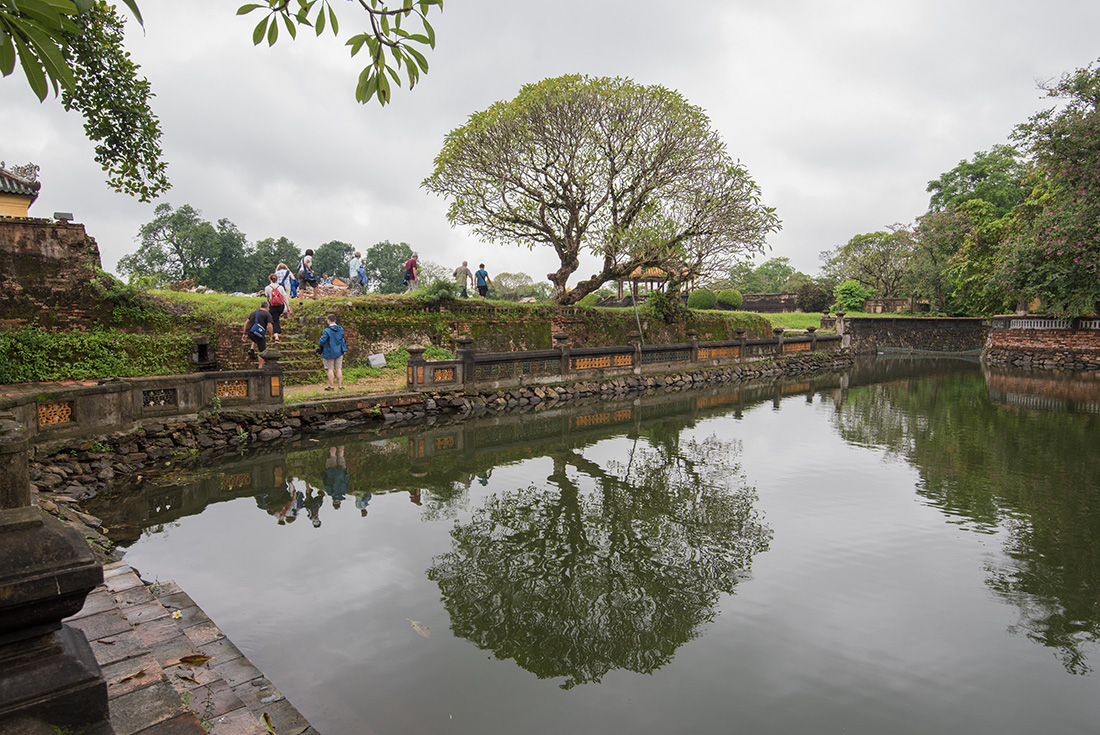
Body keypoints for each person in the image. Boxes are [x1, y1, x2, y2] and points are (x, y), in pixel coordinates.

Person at [318, 312, 348, 391]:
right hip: (339, 350)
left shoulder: (327, 330)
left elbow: (322, 341)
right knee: (338, 368)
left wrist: (320, 346)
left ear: (328, 320)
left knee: (330, 369)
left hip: (329, 351)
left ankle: (331, 386)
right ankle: (340, 386)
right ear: (335, 320)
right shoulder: (340, 329)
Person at [242, 301, 273, 368]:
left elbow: (246, 323)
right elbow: (270, 326)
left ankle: (252, 349)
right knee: (262, 351)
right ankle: (260, 367)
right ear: (267, 307)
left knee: (256, 339)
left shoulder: (254, 313)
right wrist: (270, 336)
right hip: (258, 334)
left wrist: (244, 333)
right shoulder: (267, 314)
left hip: (251, 332)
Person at [264, 273, 290, 343]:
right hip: (280, 306)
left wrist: (268, 306)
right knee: (276, 318)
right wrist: (288, 307)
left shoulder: (267, 288)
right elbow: (284, 298)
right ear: (277, 279)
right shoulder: (280, 287)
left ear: (270, 279)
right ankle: (278, 331)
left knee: (275, 320)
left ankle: (276, 336)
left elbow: (268, 298)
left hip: (273, 306)